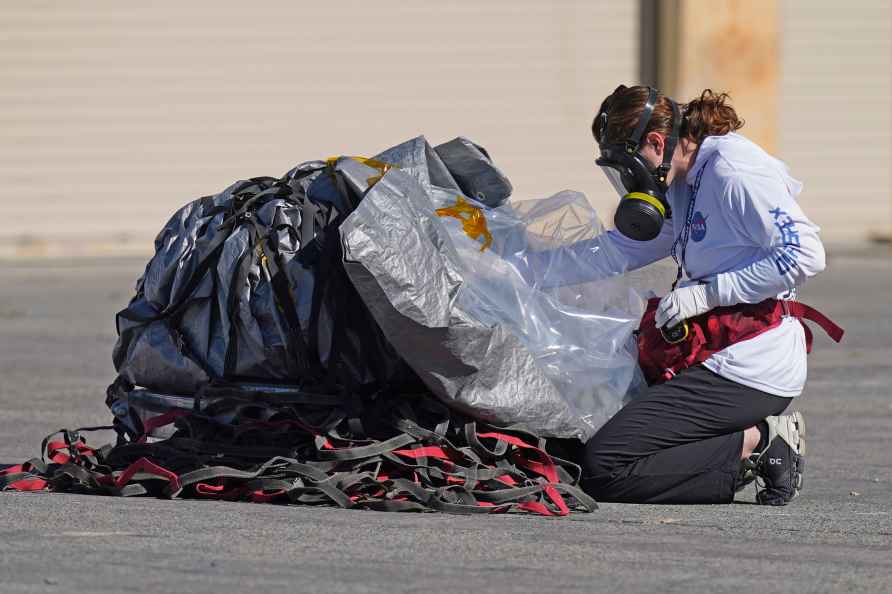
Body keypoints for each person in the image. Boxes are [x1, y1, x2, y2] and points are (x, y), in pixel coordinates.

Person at [517, 85, 837, 505]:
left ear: (655, 142)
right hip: (707, 351)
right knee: (570, 447)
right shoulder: (686, 177)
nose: (632, 178)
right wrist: (525, 271)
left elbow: (805, 254)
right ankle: (728, 441)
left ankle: (758, 443)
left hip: (749, 369)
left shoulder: (734, 172)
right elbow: (623, 248)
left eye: (632, 165)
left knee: (604, 469)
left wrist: (708, 295)